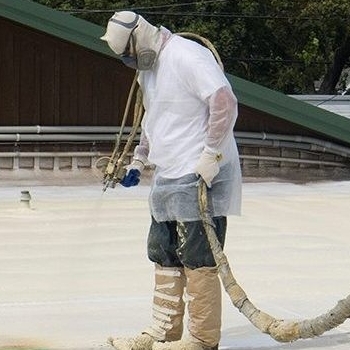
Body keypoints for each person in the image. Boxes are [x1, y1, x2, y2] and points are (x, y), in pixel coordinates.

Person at [101, 11, 242, 350]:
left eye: (128, 53)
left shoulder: (187, 55)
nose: (128, 61)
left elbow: (224, 102)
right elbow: (154, 117)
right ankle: (164, 330)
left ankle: (203, 339)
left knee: (199, 257)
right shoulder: (148, 71)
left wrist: (211, 154)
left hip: (199, 173)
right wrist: (138, 159)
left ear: (141, 38)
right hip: (167, 176)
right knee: (163, 252)